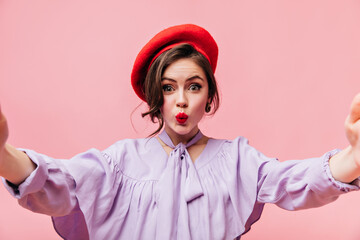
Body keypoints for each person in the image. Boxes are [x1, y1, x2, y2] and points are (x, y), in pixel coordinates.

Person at [0, 24, 360, 240]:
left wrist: (354, 158)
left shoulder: (237, 159)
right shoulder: (119, 162)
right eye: (169, 88)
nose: (182, 101)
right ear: (156, 96)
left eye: (194, 86)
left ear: (209, 95)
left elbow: (296, 180)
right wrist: (4, 155)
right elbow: (59, 184)